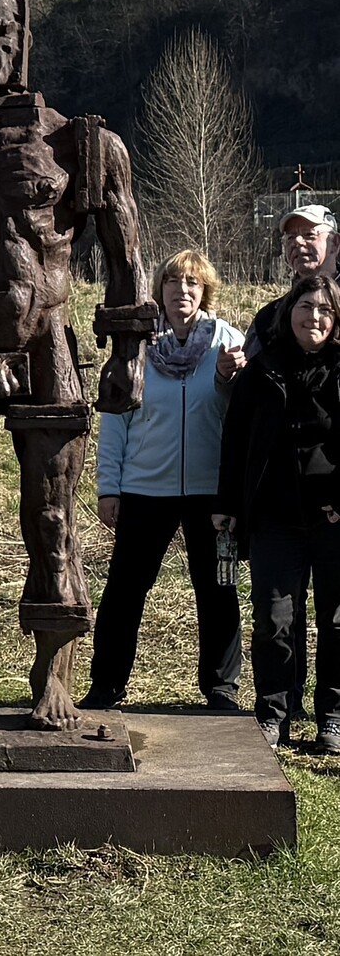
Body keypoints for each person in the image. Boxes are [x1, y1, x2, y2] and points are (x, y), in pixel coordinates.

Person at [85, 249, 245, 713]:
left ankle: (221, 688)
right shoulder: (136, 345)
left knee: (218, 588)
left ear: (205, 291)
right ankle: (107, 684)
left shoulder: (226, 341)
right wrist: (108, 486)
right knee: (124, 590)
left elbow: (238, 418)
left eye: (192, 284)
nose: (182, 291)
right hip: (143, 488)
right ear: (160, 290)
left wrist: (224, 380)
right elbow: (115, 420)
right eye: (174, 282)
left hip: (209, 492)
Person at [217, 274, 340, 752]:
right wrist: (226, 506)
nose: (314, 317)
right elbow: (235, 443)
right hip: (274, 519)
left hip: (333, 522)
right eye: (306, 307)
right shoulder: (262, 370)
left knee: (336, 622)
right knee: (274, 619)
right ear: (289, 313)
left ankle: (332, 716)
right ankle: (274, 712)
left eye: (325, 310)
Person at [245, 205, 337, 357]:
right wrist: (225, 376)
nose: (298, 242)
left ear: (335, 244)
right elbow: (247, 376)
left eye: (308, 235)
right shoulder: (269, 319)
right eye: (290, 237)